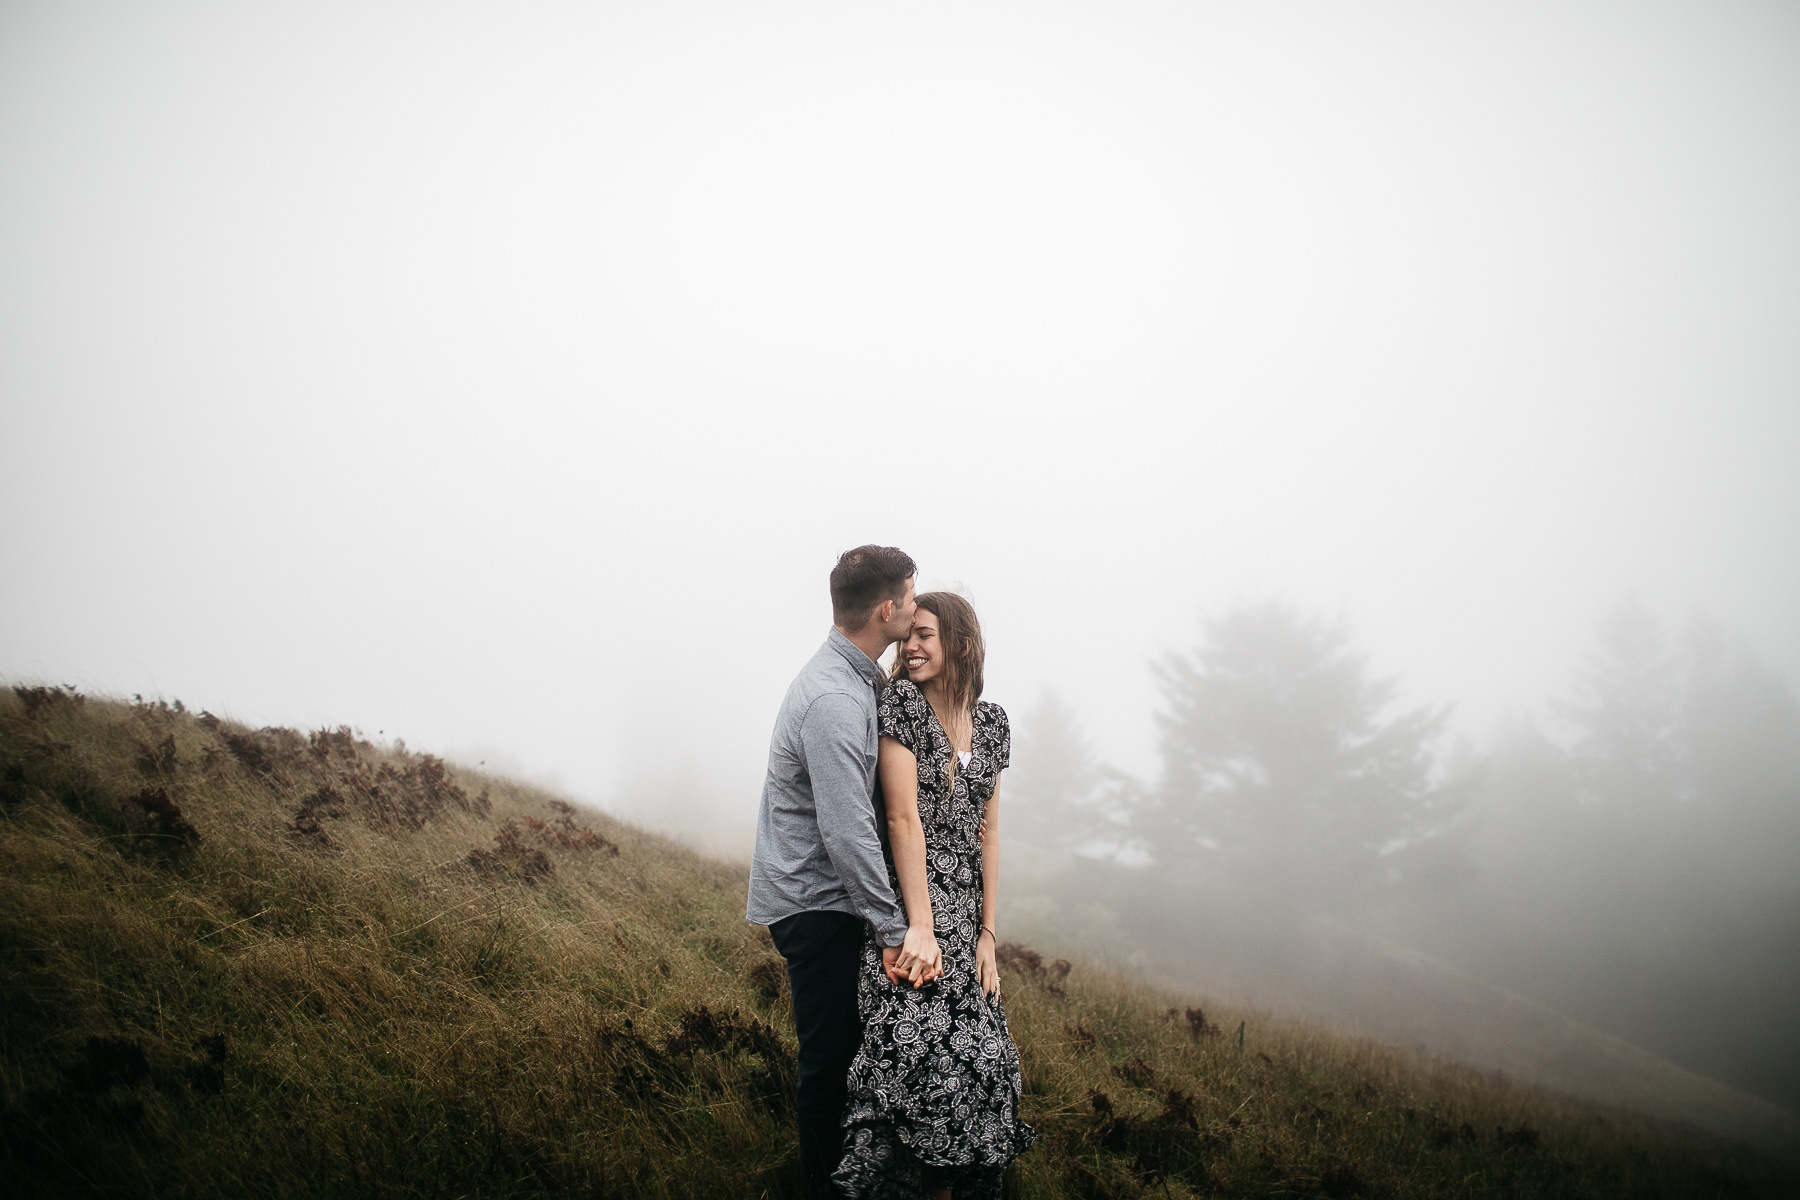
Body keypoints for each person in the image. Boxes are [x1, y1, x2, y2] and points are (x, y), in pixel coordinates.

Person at [748, 545, 944, 1200]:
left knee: (845, 1053)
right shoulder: (834, 698)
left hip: (831, 903)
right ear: (887, 609)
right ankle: (822, 1187)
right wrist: (893, 929)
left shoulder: (859, 681)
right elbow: (845, 830)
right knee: (829, 1060)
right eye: (911, 600)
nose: (914, 611)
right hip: (815, 906)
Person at [833, 592, 1036, 1200]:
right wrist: (920, 927)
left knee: (984, 1066)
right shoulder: (899, 706)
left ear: (963, 644)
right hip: (911, 910)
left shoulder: (993, 723)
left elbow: (989, 832)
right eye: (908, 635)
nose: (911, 646)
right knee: (911, 1054)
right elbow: (902, 820)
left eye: (926, 634)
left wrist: (988, 936)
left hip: (968, 919)